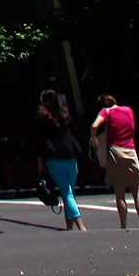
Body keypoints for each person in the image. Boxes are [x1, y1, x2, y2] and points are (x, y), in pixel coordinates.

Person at [90, 93, 139, 229]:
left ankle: (123, 225)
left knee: (119, 192)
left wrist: (94, 138)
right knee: (136, 191)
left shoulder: (106, 111)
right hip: (130, 150)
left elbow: (94, 126)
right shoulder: (128, 110)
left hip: (115, 151)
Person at [33, 90, 85, 231]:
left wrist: (40, 162)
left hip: (54, 157)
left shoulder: (42, 119)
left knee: (66, 193)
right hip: (71, 155)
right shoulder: (66, 116)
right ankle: (69, 227)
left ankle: (81, 226)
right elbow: (77, 134)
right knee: (69, 191)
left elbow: (39, 141)